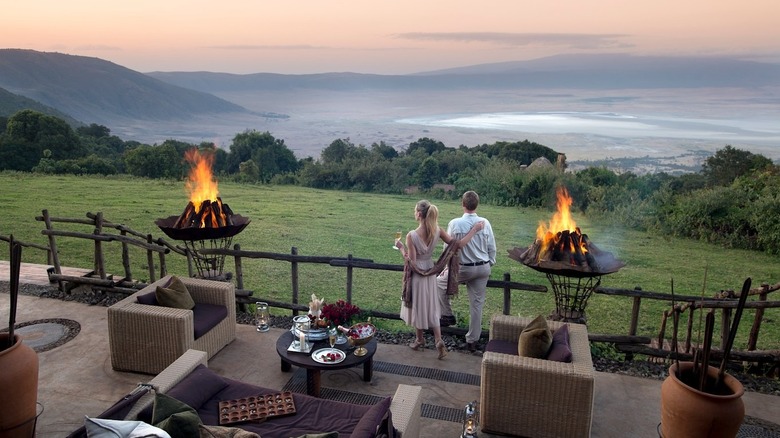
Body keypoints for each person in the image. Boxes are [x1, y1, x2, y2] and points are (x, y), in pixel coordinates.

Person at [395, 200, 483, 359]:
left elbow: (412, 262)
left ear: (419, 214)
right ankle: (438, 340)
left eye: (415, 211)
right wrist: (474, 230)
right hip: (431, 272)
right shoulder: (438, 231)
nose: (414, 213)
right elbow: (459, 244)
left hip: (418, 276)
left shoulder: (411, 235)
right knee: (431, 308)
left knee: (418, 307)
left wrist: (401, 248)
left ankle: (419, 340)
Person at [437, 190, 496, 353]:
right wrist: (488, 264)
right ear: (477, 205)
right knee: (477, 305)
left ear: (462, 204)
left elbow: (448, 248)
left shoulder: (455, 223)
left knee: (438, 283)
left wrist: (447, 269)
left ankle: (447, 314)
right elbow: (492, 248)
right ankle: (472, 341)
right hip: (483, 268)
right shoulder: (486, 222)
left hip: (463, 268)